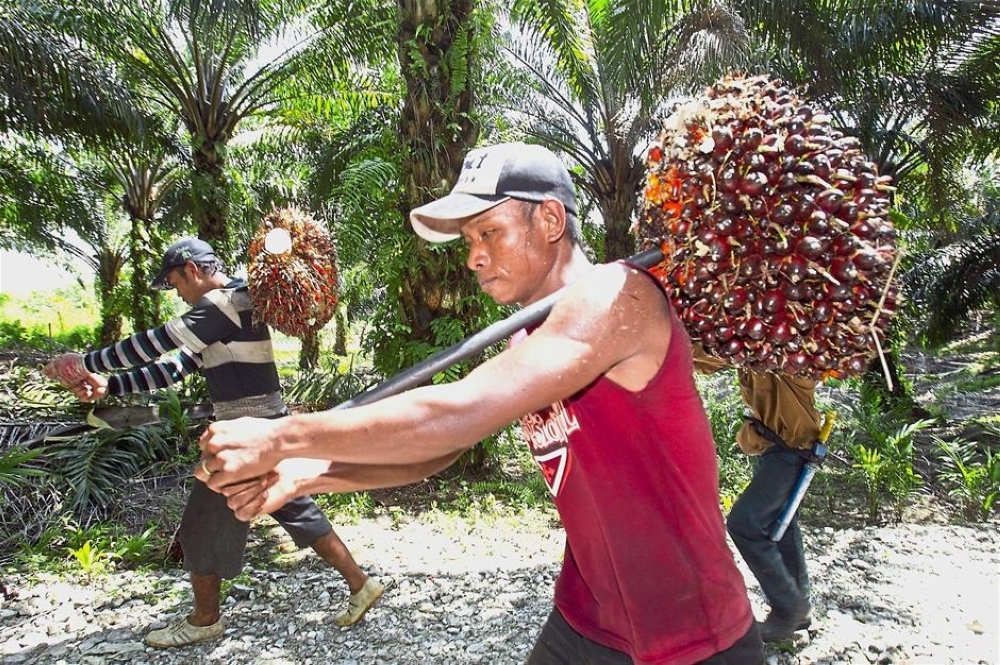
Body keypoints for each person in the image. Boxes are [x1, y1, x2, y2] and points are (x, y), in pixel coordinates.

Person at [194, 142, 764, 664]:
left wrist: (282, 435)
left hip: (693, 631)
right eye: (469, 241)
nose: (473, 257)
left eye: (488, 232)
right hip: (589, 615)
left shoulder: (617, 296)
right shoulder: (532, 334)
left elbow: (458, 410)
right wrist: (304, 476)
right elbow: (442, 447)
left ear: (549, 219)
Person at [43, 237, 384, 648]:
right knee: (295, 507)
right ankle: (360, 583)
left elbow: (155, 342)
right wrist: (109, 384)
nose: (179, 295)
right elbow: (170, 370)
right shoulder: (232, 307)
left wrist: (83, 363)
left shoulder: (225, 302)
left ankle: (205, 620)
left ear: (192, 269)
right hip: (264, 429)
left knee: (202, 525)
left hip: (246, 434)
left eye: (176, 284)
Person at [694, 351, 821, 643]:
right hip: (772, 450)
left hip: (793, 451)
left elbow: (790, 355)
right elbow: (709, 360)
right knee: (782, 524)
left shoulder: (793, 359)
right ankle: (798, 611)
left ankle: (790, 607)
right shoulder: (749, 354)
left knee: (745, 524)